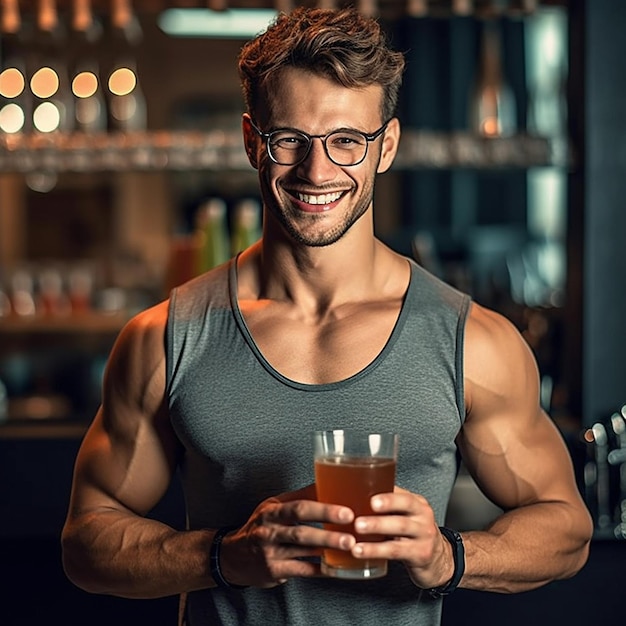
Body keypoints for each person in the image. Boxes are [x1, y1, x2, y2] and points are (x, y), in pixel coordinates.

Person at [61, 7, 593, 626]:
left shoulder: (472, 341)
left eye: (347, 141)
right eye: (289, 139)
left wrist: (448, 557)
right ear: (250, 141)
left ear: (385, 147)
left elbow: (567, 530)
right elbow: (85, 541)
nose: (317, 172)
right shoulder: (165, 339)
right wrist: (225, 557)